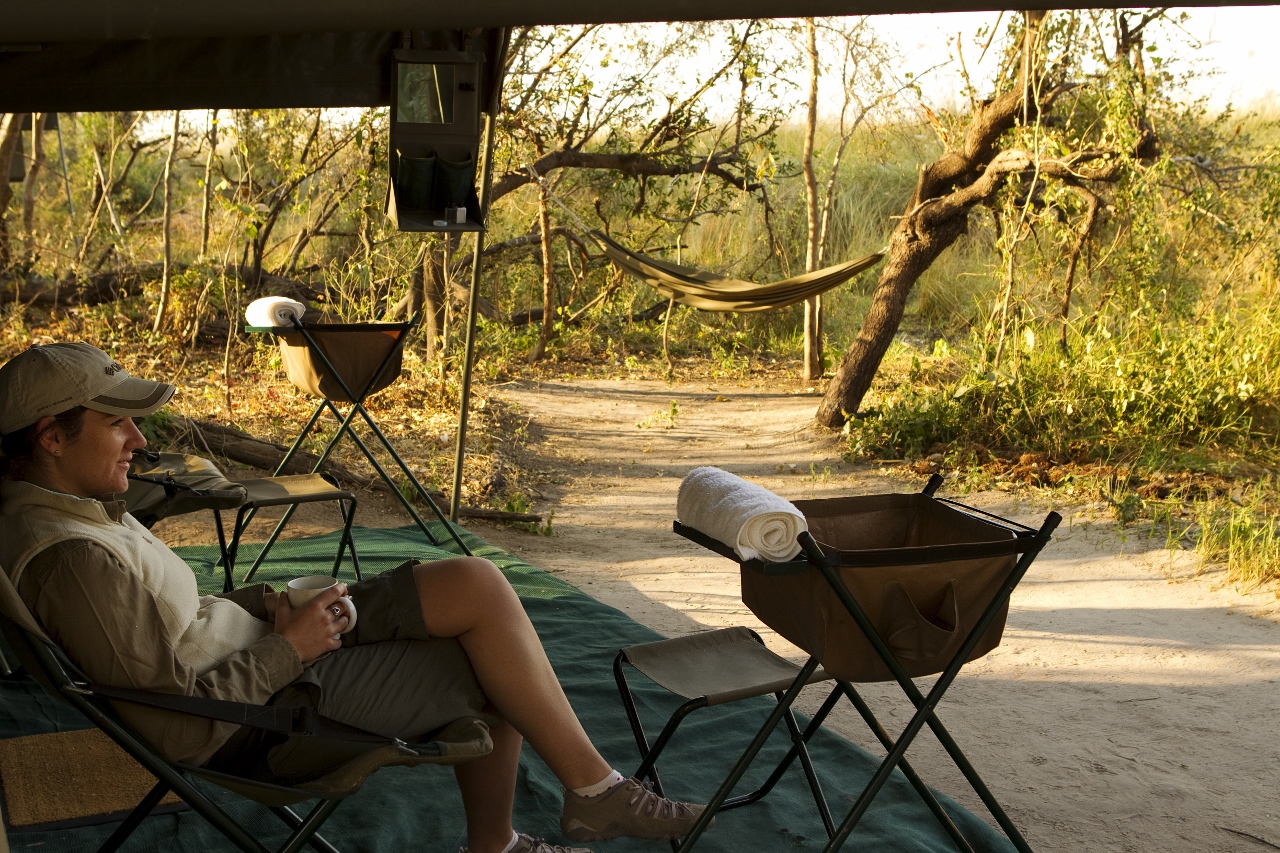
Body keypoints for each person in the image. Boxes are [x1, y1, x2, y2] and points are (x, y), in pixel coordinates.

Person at [0, 342, 705, 853]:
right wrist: (290, 647)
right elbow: (176, 729)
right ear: (52, 436)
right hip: (262, 716)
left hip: (264, 655)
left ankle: (587, 793)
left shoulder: (77, 509)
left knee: (474, 582)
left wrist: (266, 607)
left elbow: (171, 624)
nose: (138, 438)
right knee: (495, 667)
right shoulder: (72, 561)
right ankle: (548, 819)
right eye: (116, 422)